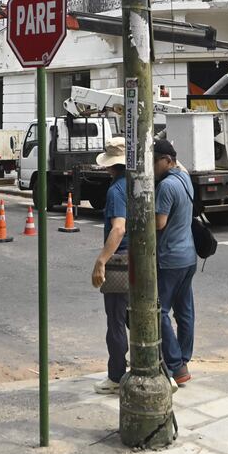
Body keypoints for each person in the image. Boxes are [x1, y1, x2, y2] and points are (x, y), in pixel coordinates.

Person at [153, 137, 197, 387]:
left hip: (170, 258)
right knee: (185, 311)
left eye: (155, 161)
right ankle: (184, 360)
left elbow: (159, 223)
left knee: (159, 312)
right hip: (188, 257)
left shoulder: (167, 186)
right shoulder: (184, 178)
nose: (152, 167)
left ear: (168, 161)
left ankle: (176, 364)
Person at [90, 136, 128, 394]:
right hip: (141, 258)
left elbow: (118, 229)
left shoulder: (116, 190)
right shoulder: (140, 184)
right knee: (137, 318)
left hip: (120, 261)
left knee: (115, 320)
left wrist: (101, 261)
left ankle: (116, 375)